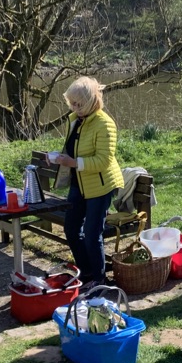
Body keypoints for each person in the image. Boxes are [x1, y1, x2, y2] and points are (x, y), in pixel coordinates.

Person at [53, 77, 124, 290]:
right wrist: (59, 157)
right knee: (71, 228)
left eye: (79, 104)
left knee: (92, 233)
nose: (74, 108)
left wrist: (74, 162)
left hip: (101, 185)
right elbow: (73, 148)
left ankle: (100, 280)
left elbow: (104, 160)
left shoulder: (105, 124)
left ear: (92, 101)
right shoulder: (76, 120)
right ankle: (86, 272)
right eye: (72, 103)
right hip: (79, 183)